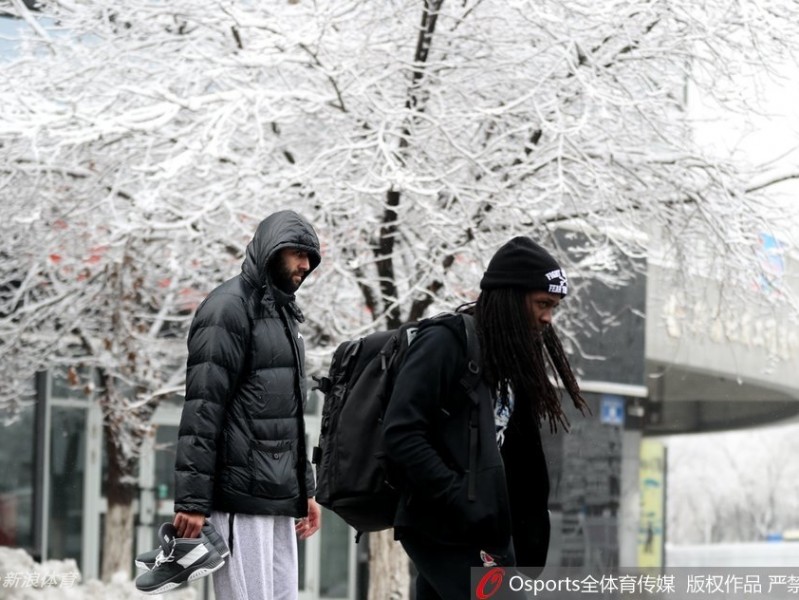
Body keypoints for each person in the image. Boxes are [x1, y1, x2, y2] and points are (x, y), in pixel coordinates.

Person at [383, 236, 589, 599]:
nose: (547, 317)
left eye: (553, 307)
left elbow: (519, 455)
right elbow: (401, 434)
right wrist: (460, 498)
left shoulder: (510, 358)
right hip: (442, 525)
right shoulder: (445, 343)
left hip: (484, 528)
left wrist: (526, 528)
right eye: (542, 303)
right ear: (510, 296)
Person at [172, 210, 322, 600]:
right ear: (271, 251)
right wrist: (192, 501)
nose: (305, 265)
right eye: (296, 253)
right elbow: (203, 409)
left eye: (310, 256)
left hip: (278, 500)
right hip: (240, 496)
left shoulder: (284, 314)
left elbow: (287, 418)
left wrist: (304, 491)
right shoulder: (228, 308)